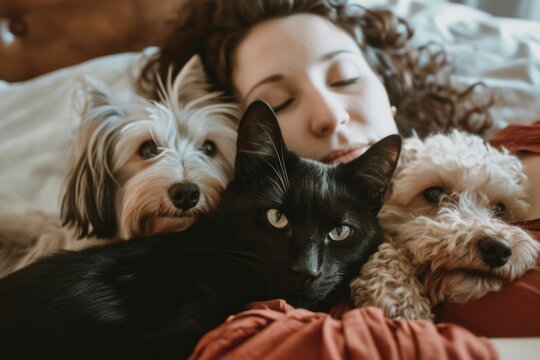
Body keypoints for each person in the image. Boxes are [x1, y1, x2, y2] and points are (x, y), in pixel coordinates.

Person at [139, 0, 540, 357]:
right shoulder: (294, 288)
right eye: (280, 102)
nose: (330, 115)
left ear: (389, 94)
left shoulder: (516, 147)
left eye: (346, 78)